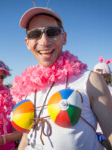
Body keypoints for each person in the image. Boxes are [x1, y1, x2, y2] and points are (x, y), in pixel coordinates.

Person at [10, 7, 112, 150]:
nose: (44, 41)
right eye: (35, 34)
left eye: (52, 32)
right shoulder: (27, 87)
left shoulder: (89, 80)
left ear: (64, 37)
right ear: (27, 43)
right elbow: (27, 137)